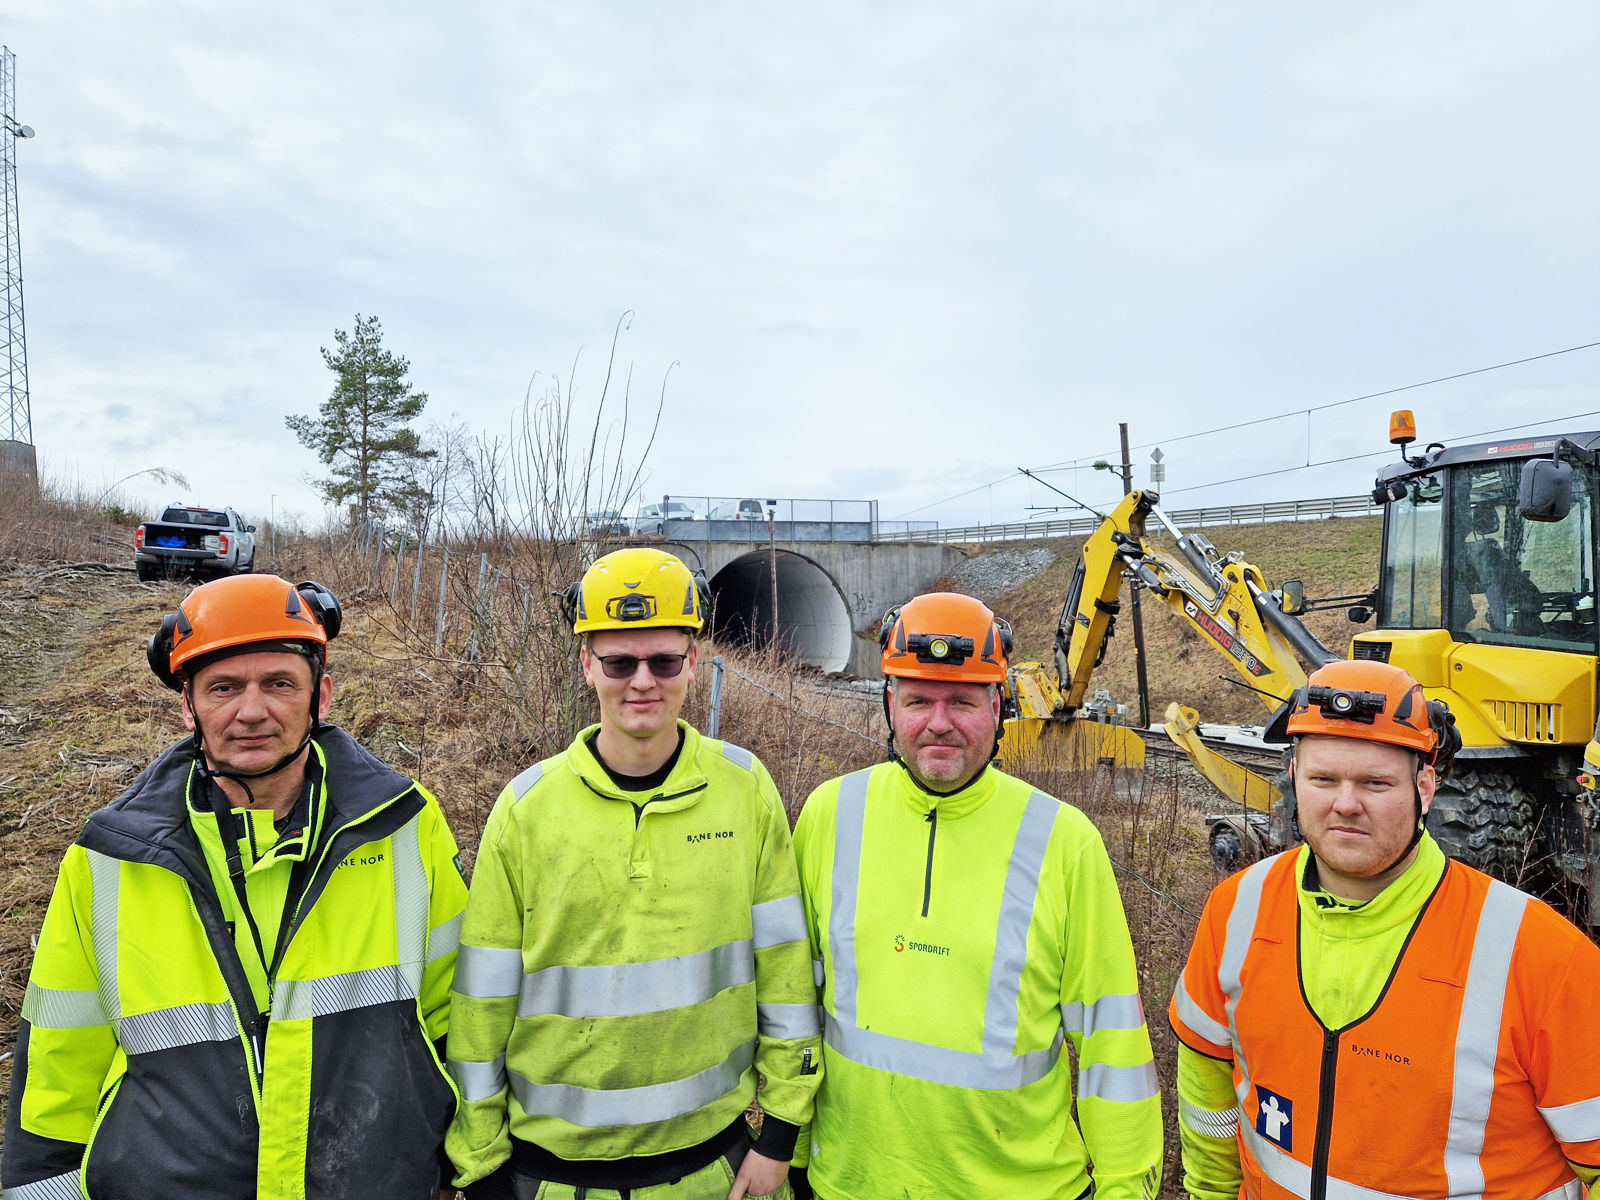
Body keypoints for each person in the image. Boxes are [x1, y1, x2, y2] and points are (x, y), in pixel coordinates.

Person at [1, 574, 468, 1200]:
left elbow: (452, 1019)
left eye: (279, 683)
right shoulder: (110, 857)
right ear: (188, 706)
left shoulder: (405, 827)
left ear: (320, 697)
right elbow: (59, 1060)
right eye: (224, 688)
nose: (252, 711)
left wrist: (454, 1168)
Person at [445, 548, 820, 1200]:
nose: (642, 681)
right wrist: (478, 1169)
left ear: (693, 662)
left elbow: (786, 974)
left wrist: (780, 1133)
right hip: (552, 1179)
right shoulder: (527, 810)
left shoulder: (745, 790)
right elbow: (481, 1008)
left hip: (714, 1173)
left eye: (664, 661)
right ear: (587, 664)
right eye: (619, 662)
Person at [1169, 658, 1600, 1199]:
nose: (1345, 805)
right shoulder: (1236, 910)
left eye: (1375, 783)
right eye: (1324, 779)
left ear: (1425, 787)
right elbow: (1209, 1095)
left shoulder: (1540, 954)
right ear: (1295, 779)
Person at [791, 592, 1163, 1200]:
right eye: (918, 700)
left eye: (962, 700)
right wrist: (795, 1153)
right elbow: (798, 1003)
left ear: (998, 707)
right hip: (850, 1185)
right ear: (889, 704)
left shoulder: (1065, 844)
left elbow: (1111, 1042)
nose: (939, 722)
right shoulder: (830, 814)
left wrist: (1126, 1187)